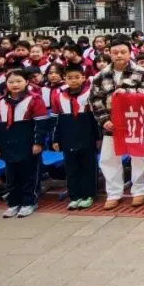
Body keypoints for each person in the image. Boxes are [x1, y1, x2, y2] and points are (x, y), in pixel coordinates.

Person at [89, 39, 144, 210]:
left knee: (137, 157)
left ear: (130, 53)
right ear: (109, 53)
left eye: (123, 52)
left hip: (135, 121)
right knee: (108, 159)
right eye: (115, 52)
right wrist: (104, 120)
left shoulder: (140, 72)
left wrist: (128, 92)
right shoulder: (101, 75)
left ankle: (139, 190)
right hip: (111, 123)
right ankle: (114, 193)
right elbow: (95, 99)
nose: (119, 55)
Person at [0, 69, 50, 218]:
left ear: (27, 82)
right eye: (11, 82)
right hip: (7, 143)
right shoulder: (0, 101)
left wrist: (38, 142)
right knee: (11, 175)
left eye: (18, 81)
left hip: (27, 142)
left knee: (29, 174)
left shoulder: (34, 99)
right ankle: (13, 203)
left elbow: (41, 124)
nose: (15, 84)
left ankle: (29, 202)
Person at [51, 64, 102, 210]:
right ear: (64, 79)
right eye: (70, 78)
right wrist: (55, 139)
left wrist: (98, 138)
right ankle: (75, 196)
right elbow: (55, 120)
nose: (73, 80)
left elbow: (96, 118)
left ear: (83, 78)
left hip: (87, 135)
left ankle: (89, 195)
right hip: (67, 136)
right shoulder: (59, 96)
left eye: (77, 77)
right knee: (71, 167)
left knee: (88, 166)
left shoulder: (90, 94)